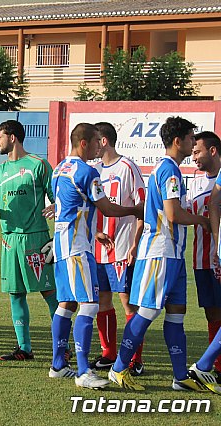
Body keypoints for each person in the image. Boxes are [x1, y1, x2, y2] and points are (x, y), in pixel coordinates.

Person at [109, 116, 212, 391]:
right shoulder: (169, 171)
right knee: (148, 311)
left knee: (177, 314)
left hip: (173, 255)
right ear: (177, 141)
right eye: (191, 138)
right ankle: (118, 368)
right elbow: (172, 213)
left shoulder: (169, 170)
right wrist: (202, 221)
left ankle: (180, 376)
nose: (193, 144)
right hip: (160, 252)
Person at [48, 123, 142, 389]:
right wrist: (135, 211)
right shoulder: (87, 171)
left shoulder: (59, 169)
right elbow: (108, 209)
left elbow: (73, 206)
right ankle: (82, 371)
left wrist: (96, 231)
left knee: (66, 304)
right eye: (95, 143)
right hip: (79, 248)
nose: (98, 148)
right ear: (84, 143)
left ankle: (58, 365)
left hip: (62, 245)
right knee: (89, 305)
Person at [0, 120, 58, 361]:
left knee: (50, 293)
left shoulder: (38, 165)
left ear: (12, 137)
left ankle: (62, 346)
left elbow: (58, 195)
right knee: (15, 294)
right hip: (9, 241)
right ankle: (24, 348)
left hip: (35, 238)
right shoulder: (0, 171)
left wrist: (56, 205)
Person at [89, 122, 146, 375]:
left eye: (94, 139)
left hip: (122, 248)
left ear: (103, 141)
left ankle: (135, 359)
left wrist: (135, 244)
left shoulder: (128, 167)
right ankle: (108, 353)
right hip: (98, 249)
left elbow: (141, 207)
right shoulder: (93, 170)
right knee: (102, 301)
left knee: (128, 305)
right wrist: (96, 232)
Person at [182, 131, 221, 394]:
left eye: (198, 152)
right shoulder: (194, 183)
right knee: (212, 314)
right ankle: (213, 368)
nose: (194, 157)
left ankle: (210, 366)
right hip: (202, 259)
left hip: (218, 257)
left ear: (213, 151)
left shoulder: (218, 182)